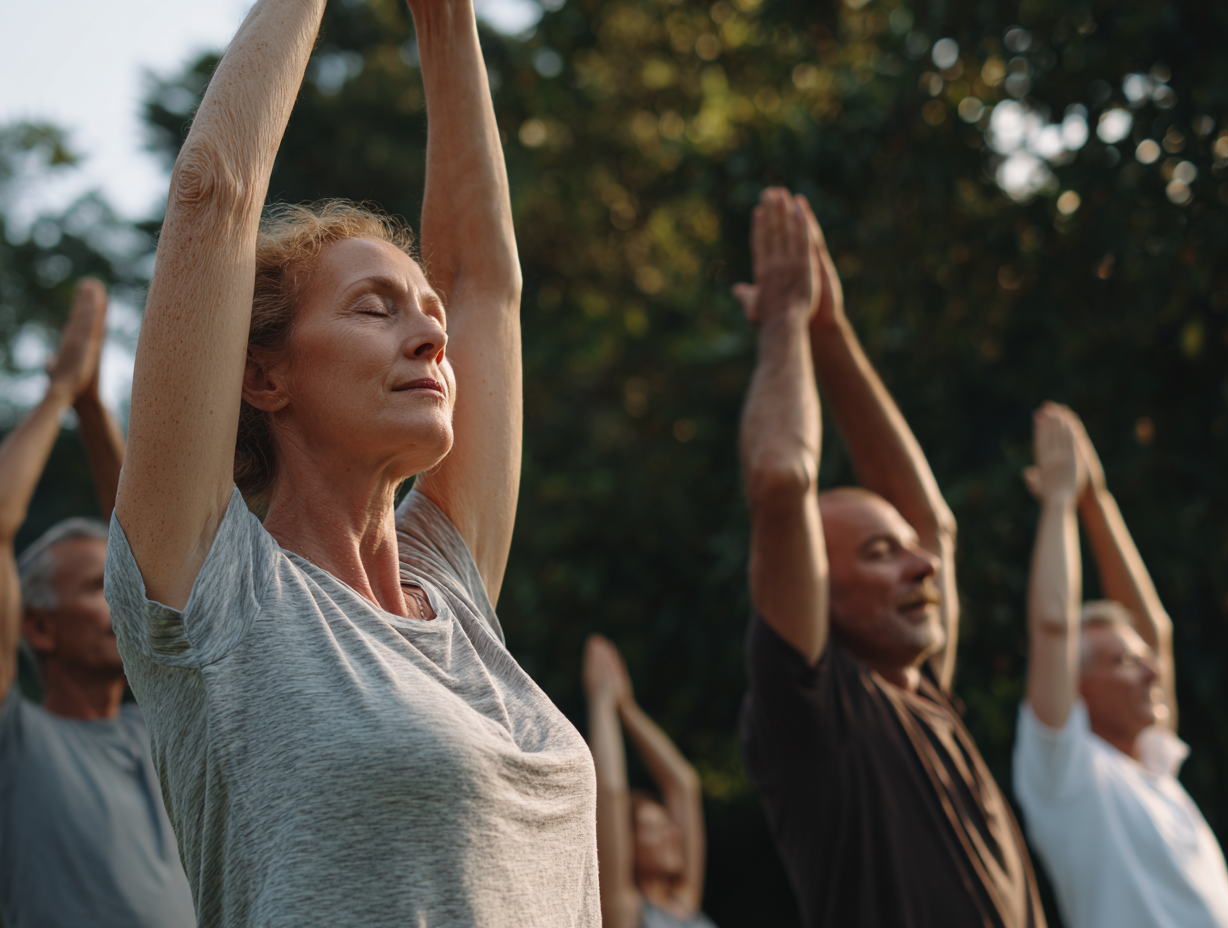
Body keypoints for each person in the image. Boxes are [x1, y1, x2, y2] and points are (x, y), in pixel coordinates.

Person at [102, 0, 598, 924]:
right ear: (261, 375)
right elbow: (215, 192)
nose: (431, 337)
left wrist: (447, 21)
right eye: (376, 309)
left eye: (427, 314)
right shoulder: (217, 596)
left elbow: (485, 288)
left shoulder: (451, 593)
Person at [733, 187, 1045, 928]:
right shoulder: (815, 708)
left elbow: (934, 525)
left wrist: (831, 330)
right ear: (820, 592)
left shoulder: (925, 689)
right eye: (881, 554)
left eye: (910, 552)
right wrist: (784, 322)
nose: (923, 567)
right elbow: (781, 478)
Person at [0, 279, 195, 928]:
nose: (120, 607)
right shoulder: (16, 738)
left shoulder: (168, 732)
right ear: (38, 626)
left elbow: (150, 553)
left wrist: (92, 408)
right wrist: (58, 392)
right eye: (94, 590)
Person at [1014, 403, 1228, 928]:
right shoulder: (1066, 775)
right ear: (1077, 687)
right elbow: (1052, 625)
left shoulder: (1156, 766)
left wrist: (1097, 500)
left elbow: (1156, 630)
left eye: (1142, 661)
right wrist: (1061, 501)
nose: (1152, 671)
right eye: (1122, 662)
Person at [582, 634, 718, 928]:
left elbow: (683, 785)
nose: (671, 834)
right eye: (652, 828)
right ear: (628, 843)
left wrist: (628, 708)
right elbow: (611, 793)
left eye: (667, 823)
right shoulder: (624, 912)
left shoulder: (684, 902)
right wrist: (602, 702)